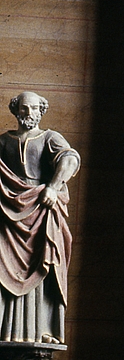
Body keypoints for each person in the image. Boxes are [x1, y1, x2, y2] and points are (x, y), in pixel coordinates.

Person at [0, 91, 80, 343]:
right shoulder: (4, 141)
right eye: (24, 109)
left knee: (44, 265)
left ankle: (41, 329)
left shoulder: (49, 138)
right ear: (16, 111)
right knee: (2, 267)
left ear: (41, 111)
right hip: (7, 215)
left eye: (34, 108)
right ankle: (5, 329)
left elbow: (69, 158)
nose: (29, 113)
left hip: (41, 212)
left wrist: (54, 187)